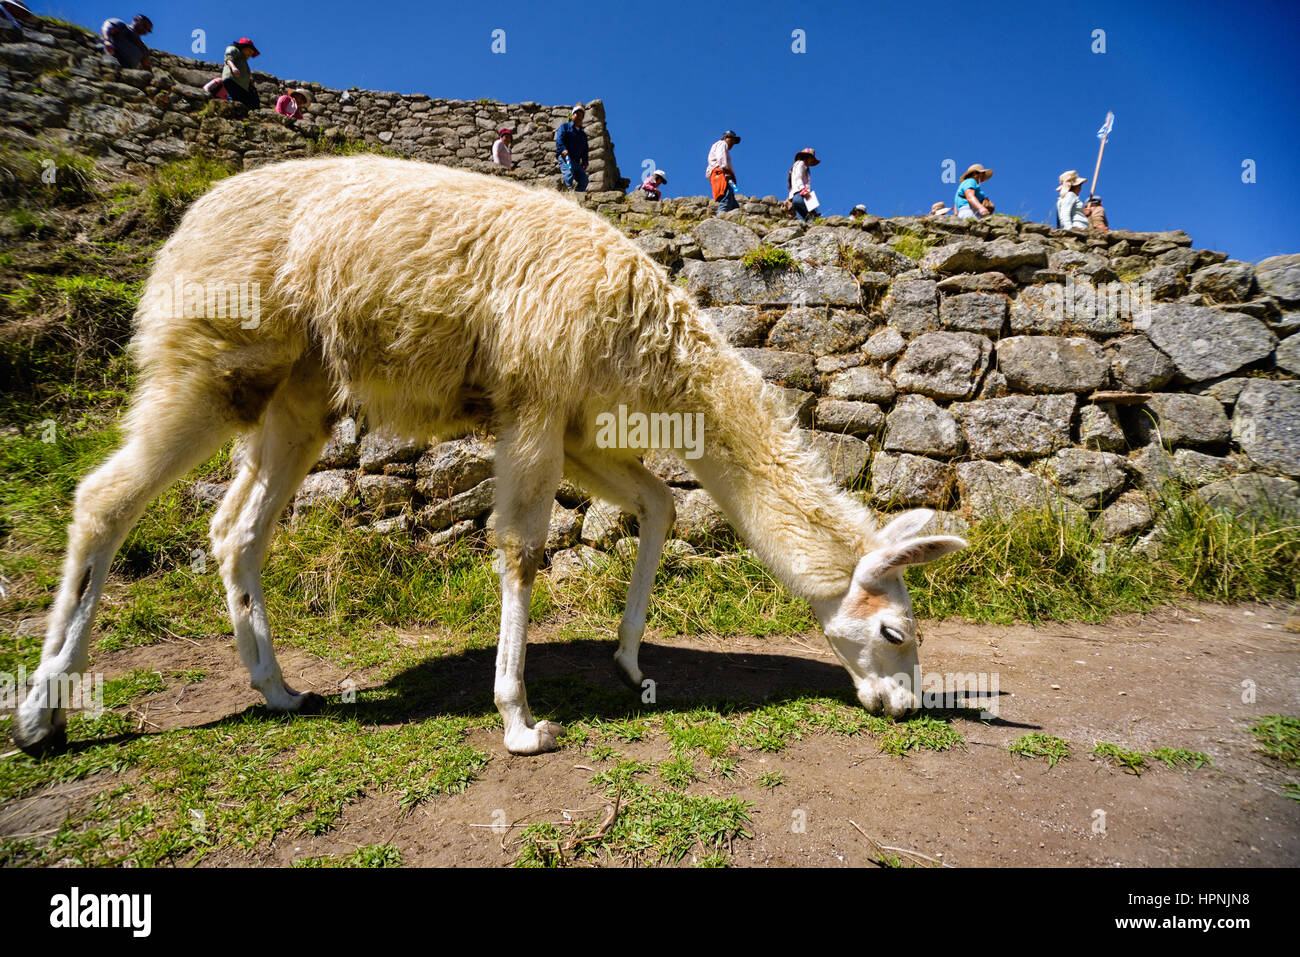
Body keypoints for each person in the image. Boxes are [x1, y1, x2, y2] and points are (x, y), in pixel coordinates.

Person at [555, 104, 589, 192]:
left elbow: (585, 149)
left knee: (584, 179)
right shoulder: (565, 127)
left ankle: (576, 196)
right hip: (566, 158)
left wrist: (585, 161)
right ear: (572, 115)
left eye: (581, 116)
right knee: (569, 172)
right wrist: (563, 149)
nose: (579, 117)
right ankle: (568, 192)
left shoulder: (583, 135)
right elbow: (559, 139)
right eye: (577, 115)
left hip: (576, 162)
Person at [706, 130, 741, 214]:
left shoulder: (719, 145)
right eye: (731, 139)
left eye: (734, 141)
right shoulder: (722, 144)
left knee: (733, 204)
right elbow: (721, 159)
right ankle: (719, 219)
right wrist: (726, 171)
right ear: (725, 138)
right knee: (726, 199)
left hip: (722, 174)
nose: (733, 143)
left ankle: (731, 219)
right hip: (721, 173)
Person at [221, 37, 261, 109]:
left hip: (241, 84)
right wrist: (233, 68)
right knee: (234, 97)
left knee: (245, 101)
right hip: (233, 80)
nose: (250, 54)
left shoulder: (243, 61)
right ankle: (231, 110)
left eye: (251, 54)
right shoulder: (234, 49)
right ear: (243, 47)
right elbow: (228, 58)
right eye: (249, 51)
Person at [787, 147, 820, 221]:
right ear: (808, 157)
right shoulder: (801, 164)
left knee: (803, 220)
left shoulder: (797, 166)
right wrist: (804, 191)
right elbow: (799, 178)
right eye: (812, 159)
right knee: (815, 212)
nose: (812, 161)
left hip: (795, 197)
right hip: (800, 195)